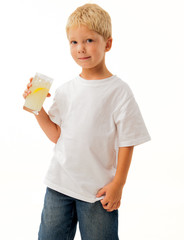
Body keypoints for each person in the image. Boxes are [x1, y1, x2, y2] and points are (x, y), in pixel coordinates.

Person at [23, 3, 151, 240]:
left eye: (89, 41)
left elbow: (128, 140)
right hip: (59, 186)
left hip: (97, 191)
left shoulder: (119, 91)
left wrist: (118, 184)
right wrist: (37, 108)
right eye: (74, 42)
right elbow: (56, 135)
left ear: (108, 44)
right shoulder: (65, 90)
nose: (80, 48)